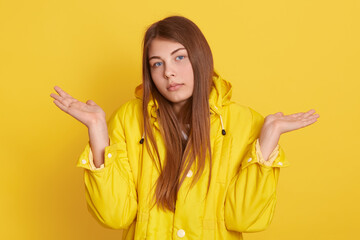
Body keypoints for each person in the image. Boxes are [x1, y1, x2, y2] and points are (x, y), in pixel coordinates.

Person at [50, 16, 319, 240]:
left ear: (200, 58)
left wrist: (268, 141)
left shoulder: (245, 122)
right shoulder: (128, 119)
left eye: (179, 58)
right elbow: (115, 216)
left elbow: (245, 219)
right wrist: (97, 131)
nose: (168, 72)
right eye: (157, 63)